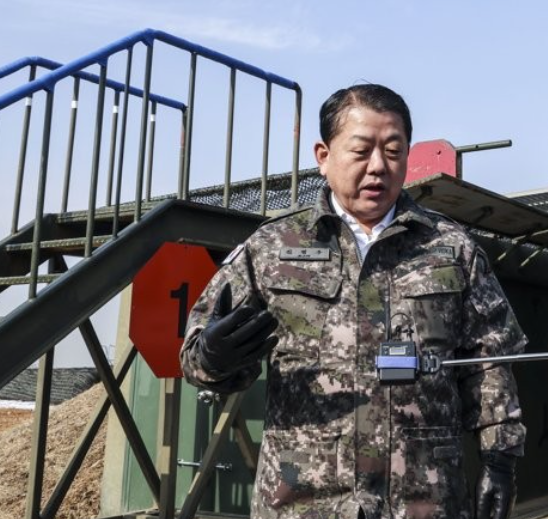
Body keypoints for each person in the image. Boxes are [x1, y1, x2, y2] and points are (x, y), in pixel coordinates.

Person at [181, 84, 526, 519]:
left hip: (423, 497)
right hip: (305, 499)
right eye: (361, 151)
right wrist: (213, 357)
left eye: (394, 151)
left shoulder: (451, 248)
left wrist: (499, 458)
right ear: (323, 156)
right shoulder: (272, 247)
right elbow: (196, 356)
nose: (378, 166)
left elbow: (490, 359)